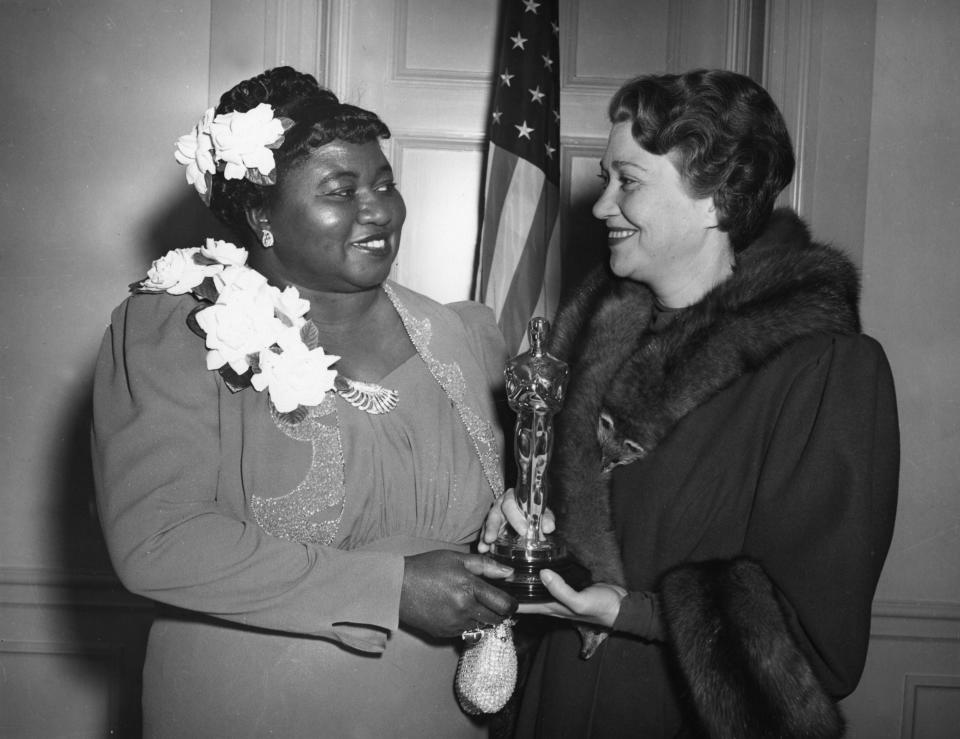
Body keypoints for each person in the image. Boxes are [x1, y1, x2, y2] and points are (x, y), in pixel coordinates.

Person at [92, 66, 518, 738]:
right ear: (262, 215)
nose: (377, 209)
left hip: (435, 712)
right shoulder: (183, 330)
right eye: (340, 191)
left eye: (383, 183)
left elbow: (506, 511)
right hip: (250, 709)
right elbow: (158, 539)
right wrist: (392, 590)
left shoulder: (463, 332)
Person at [480, 69, 899, 738]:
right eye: (607, 178)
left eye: (629, 181)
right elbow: (610, 538)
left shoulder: (824, 370)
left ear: (716, 199)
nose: (600, 206)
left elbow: (818, 646)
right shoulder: (589, 350)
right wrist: (534, 539)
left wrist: (635, 613)